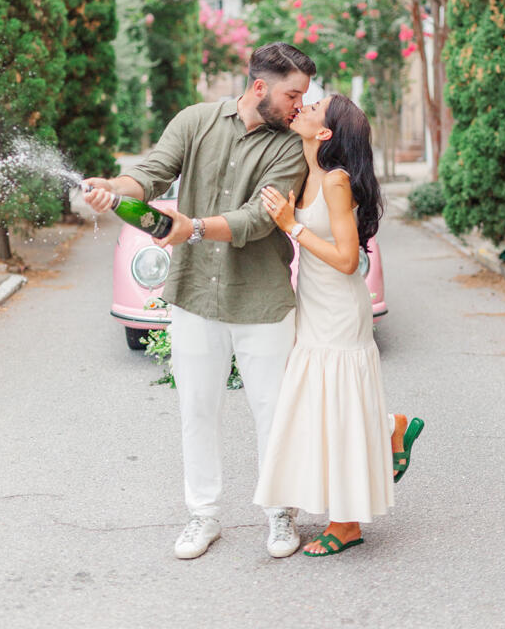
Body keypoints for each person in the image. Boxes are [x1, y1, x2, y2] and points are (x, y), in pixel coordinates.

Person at [83, 42, 316, 560]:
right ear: (260, 88)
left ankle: (281, 512)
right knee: (197, 409)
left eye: (303, 94)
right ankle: (202, 516)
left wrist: (191, 228)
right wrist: (111, 187)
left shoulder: (289, 146)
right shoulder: (195, 121)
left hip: (262, 299)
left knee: (273, 412)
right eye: (292, 93)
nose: (299, 104)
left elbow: (260, 217)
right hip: (193, 295)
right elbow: (151, 173)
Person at [255, 94, 424, 556]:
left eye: (312, 108)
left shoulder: (334, 182)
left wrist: (293, 226)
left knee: (334, 405)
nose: (302, 107)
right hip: (314, 304)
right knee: (326, 404)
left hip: (339, 310)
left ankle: (346, 525)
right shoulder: (309, 175)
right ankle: (389, 426)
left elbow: (350, 261)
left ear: (324, 132)